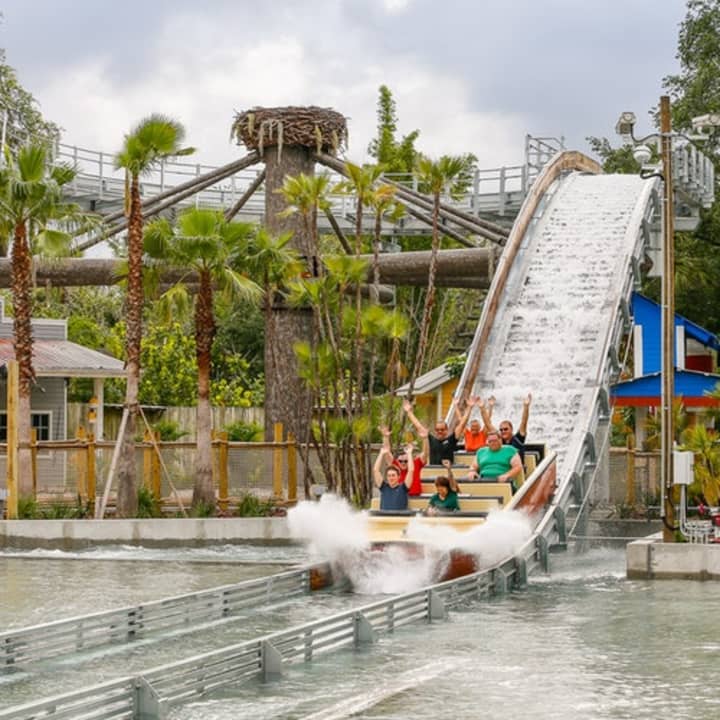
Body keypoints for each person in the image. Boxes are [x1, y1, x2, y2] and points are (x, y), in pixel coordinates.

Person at [403, 397, 474, 465]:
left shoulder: (451, 440)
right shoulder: (431, 440)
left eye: (442, 430)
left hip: (448, 469)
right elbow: (418, 426)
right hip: (434, 470)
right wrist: (409, 412)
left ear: (446, 430)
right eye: (437, 430)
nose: (439, 431)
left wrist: (469, 408)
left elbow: (462, 425)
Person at [380, 425, 429, 496]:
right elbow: (386, 452)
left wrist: (425, 439)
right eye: (400, 461)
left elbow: (425, 453)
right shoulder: (395, 465)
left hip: (415, 497)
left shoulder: (416, 463)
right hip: (399, 497)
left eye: (406, 461)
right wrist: (385, 437)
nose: (403, 463)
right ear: (398, 460)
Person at [482, 393, 531, 463]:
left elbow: (524, 421)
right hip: (503, 467)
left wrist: (526, 406)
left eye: (505, 429)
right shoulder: (499, 439)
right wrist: (482, 408)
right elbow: (487, 424)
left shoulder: (518, 438)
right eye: (501, 430)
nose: (503, 431)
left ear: (511, 429)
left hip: (517, 468)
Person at [373, 442, 415, 511]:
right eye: (389, 476)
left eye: (393, 475)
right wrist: (381, 453)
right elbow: (376, 470)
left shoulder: (403, 488)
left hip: (399, 517)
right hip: (384, 516)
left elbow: (411, 471)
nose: (391, 478)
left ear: (398, 477)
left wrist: (409, 453)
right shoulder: (383, 487)